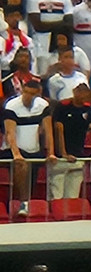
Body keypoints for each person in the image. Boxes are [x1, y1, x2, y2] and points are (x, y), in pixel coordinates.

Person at [3, 78, 55, 219]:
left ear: (38, 94)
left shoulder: (43, 105)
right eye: (26, 92)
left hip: (34, 149)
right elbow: (10, 133)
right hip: (14, 149)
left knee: (32, 177)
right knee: (22, 167)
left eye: (32, 94)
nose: (28, 96)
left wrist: (51, 153)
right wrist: (16, 154)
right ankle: (23, 203)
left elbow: (48, 131)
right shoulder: (11, 105)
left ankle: (32, 203)